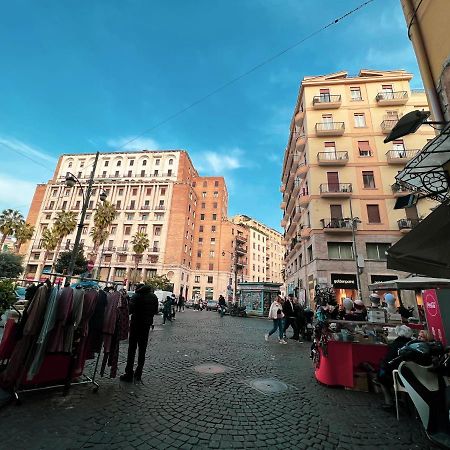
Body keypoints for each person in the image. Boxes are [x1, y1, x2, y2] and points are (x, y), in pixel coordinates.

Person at [120, 283, 158, 382]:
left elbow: (130, 310)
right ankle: (139, 373)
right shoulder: (153, 297)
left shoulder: (136, 296)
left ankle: (129, 373)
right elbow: (155, 311)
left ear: (138, 288)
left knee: (131, 349)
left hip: (135, 324)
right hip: (146, 326)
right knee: (142, 350)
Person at [376, 324, 413, 409]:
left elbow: (388, 362)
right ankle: (402, 400)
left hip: (395, 375)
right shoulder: (411, 344)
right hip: (409, 374)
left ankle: (389, 402)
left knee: (381, 378)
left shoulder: (394, 344)